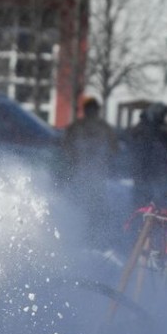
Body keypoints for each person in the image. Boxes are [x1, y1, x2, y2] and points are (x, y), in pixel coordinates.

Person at [59, 95, 119, 246]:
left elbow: (66, 148)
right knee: (89, 205)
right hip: (88, 172)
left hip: (89, 172)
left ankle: (86, 236)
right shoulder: (101, 127)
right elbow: (114, 149)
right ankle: (86, 236)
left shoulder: (79, 126)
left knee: (87, 205)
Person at [121, 102, 167, 209]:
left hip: (157, 172)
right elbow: (131, 146)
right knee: (142, 203)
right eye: (161, 115)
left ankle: (156, 222)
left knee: (158, 203)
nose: (162, 118)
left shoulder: (161, 131)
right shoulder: (141, 129)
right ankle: (140, 223)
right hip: (143, 171)